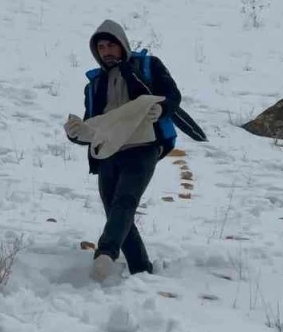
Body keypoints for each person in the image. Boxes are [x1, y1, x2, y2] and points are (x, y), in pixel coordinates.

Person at [64, 19, 205, 282]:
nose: (106, 51)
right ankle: (141, 270)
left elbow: (172, 96)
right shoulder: (94, 85)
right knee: (116, 211)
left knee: (125, 201)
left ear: (122, 44)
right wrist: (76, 134)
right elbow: (94, 126)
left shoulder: (148, 66)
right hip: (108, 152)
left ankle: (105, 253)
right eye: (101, 47)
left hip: (143, 147)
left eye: (111, 45)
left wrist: (161, 108)